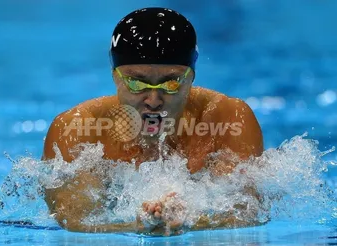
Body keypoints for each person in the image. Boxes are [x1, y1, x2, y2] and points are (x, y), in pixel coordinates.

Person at [41, 7, 264, 236]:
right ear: (115, 76)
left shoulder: (228, 119)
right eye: (137, 83)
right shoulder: (77, 129)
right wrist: (136, 227)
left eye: (171, 83)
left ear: (191, 77)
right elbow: (75, 220)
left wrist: (188, 222)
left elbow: (246, 211)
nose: (154, 101)